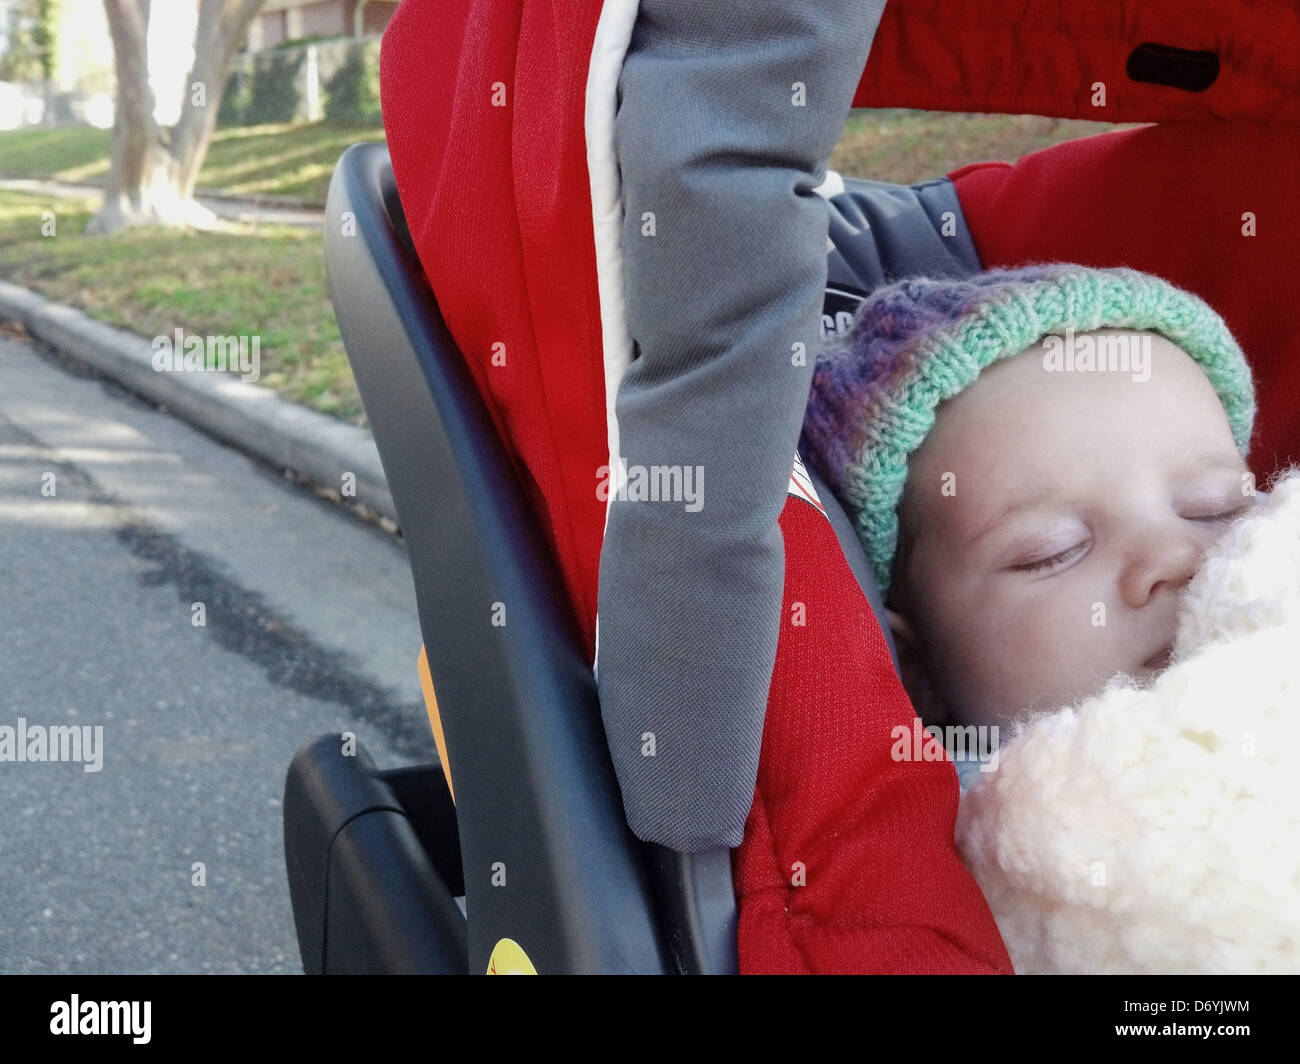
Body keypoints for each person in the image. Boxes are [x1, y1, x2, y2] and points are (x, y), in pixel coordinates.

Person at [803, 262, 1300, 972]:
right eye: (1052, 552)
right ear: (916, 664)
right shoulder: (945, 856)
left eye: (1216, 507)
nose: (1173, 556)